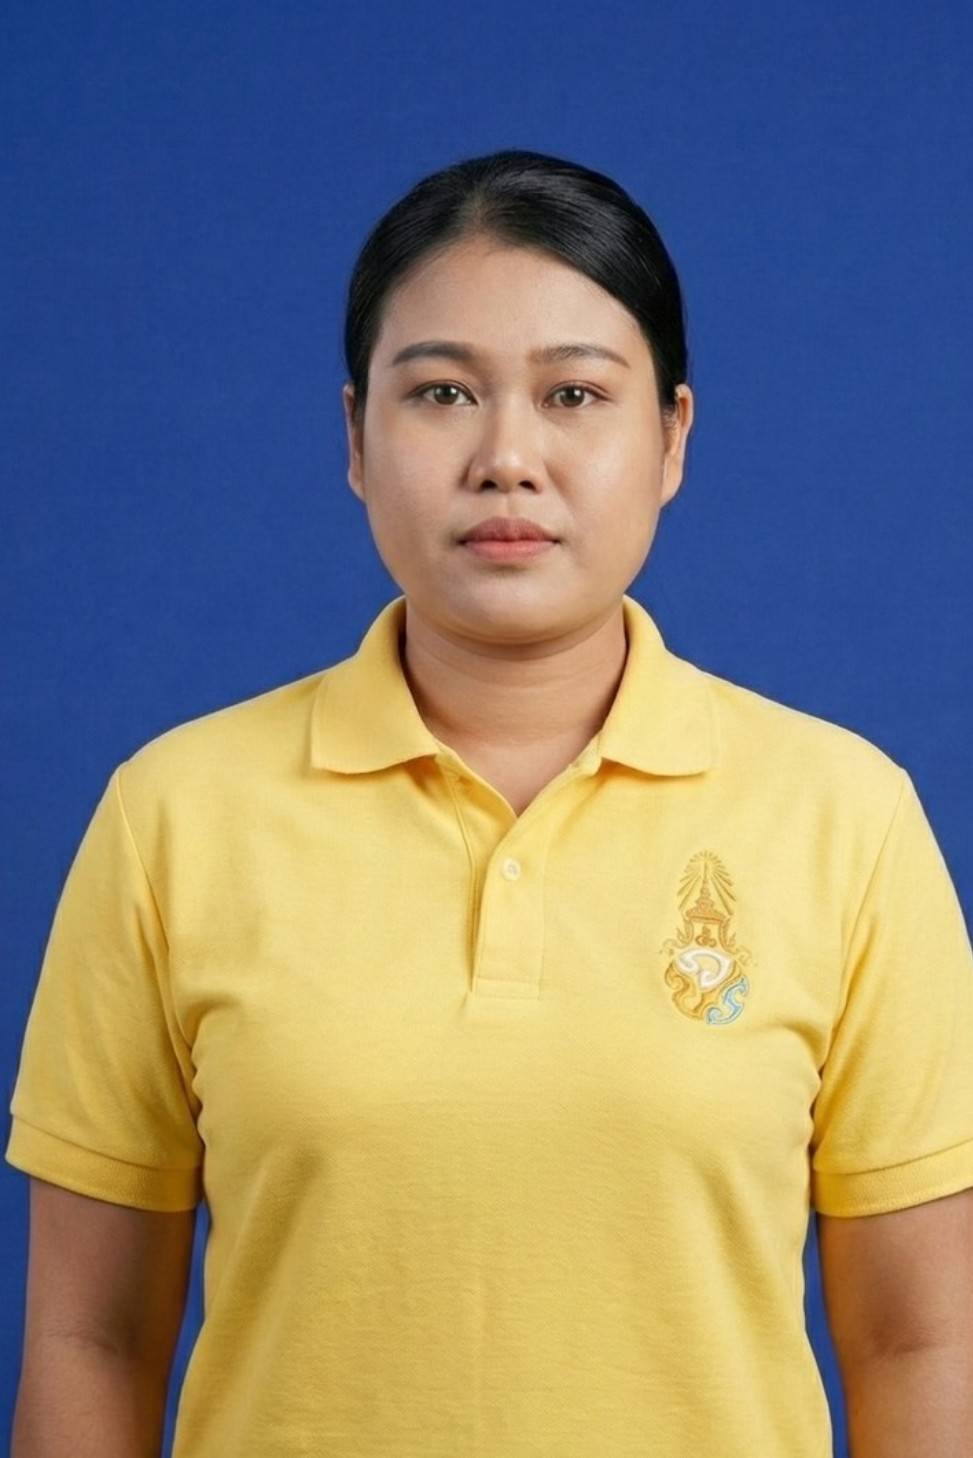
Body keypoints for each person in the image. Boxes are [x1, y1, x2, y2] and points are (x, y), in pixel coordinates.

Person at [6, 148, 973, 1458]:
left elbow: (921, 1341)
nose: (508, 457)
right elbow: (90, 1337)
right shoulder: (171, 818)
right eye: (443, 393)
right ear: (356, 438)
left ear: (672, 438)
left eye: (574, 394)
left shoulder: (845, 820)